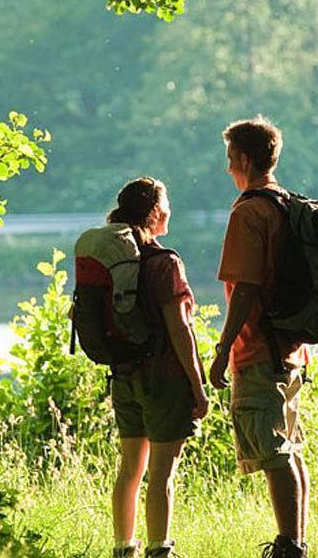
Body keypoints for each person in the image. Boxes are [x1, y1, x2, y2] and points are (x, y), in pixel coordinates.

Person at [208, 118, 310, 558]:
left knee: (273, 453)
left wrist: (222, 348)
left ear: (244, 159)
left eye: (230, 159)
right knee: (290, 448)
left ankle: (289, 547)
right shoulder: (288, 204)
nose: (228, 167)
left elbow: (245, 289)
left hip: (260, 350)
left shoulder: (249, 211)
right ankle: (297, 542)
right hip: (292, 349)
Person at [106, 178, 209, 558]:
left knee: (130, 469)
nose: (169, 210)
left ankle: (122, 548)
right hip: (163, 380)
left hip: (123, 376)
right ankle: (159, 550)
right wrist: (197, 386)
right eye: (166, 204)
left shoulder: (114, 262)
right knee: (162, 474)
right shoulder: (164, 263)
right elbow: (180, 329)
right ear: (155, 212)